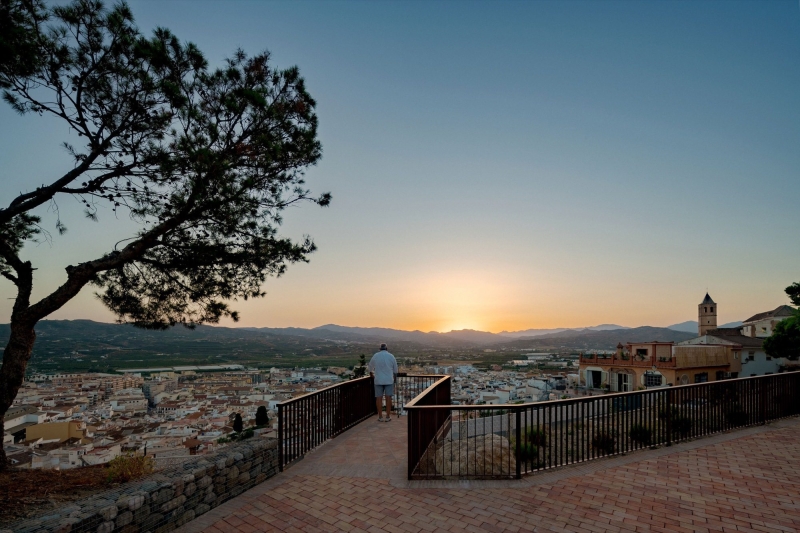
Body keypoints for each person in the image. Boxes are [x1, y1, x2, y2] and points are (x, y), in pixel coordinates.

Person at [368, 343, 398, 422]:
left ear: (380, 349)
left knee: (379, 398)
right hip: (389, 380)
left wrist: (371, 374)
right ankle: (388, 416)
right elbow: (395, 370)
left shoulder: (376, 356)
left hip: (378, 380)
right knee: (388, 398)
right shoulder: (391, 356)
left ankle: (380, 416)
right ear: (387, 349)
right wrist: (394, 379)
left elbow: (370, 367)